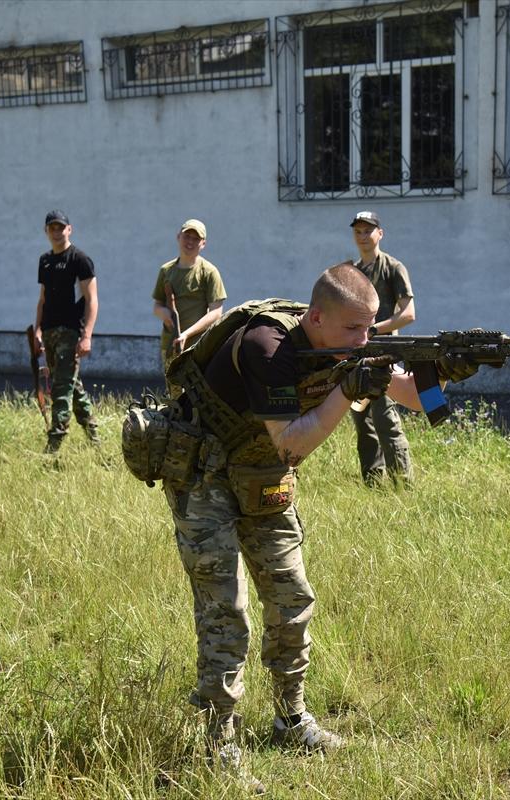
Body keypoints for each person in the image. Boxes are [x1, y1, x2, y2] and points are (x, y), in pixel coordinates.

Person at [156, 263, 480, 788]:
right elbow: (293, 442)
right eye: (354, 329)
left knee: (291, 599)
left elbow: (420, 401)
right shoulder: (267, 346)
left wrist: (445, 373)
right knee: (226, 611)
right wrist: (348, 390)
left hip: (260, 474)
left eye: (371, 328)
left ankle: (290, 719)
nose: (365, 340)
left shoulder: (346, 346)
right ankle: (217, 744)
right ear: (316, 317)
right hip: (203, 475)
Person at [348, 210, 416, 486]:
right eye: (358, 231)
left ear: (380, 233)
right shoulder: (352, 271)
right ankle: (373, 483)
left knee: (385, 418)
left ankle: (403, 483)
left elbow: (408, 314)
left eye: (368, 230)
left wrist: (374, 329)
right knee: (361, 417)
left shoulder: (392, 267)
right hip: (357, 355)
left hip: (385, 354)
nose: (363, 236)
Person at [32, 209, 99, 454]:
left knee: (60, 388)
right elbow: (42, 299)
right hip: (49, 331)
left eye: (61, 227)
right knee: (72, 385)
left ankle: (54, 445)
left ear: (69, 229)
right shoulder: (45, 261)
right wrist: (38, 330)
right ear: (46, 231)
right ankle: (94, 436)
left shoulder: (80, 259)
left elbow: (92, 300)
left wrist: (87, 336)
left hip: (70, 333)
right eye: (52, 228)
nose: (57, 232)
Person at [151, 219, 226, 398]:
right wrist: (165, 314)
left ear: (203, 244)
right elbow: (157, 306)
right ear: (178, 237)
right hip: (171, 345)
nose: (190, 242)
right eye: (187, 236)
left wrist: (187, 334)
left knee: (199, 395)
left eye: (195, 238)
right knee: (175, 396)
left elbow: (216, 312)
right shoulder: (166, 270)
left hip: (199, 347)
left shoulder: (209, 272)